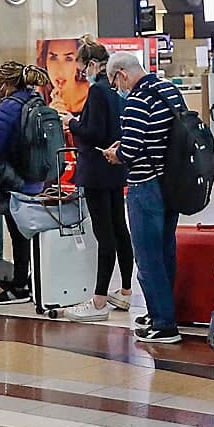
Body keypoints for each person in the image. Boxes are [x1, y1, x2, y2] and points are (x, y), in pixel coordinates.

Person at [108, 51, 182, 345]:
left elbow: (131, 149)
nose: (117, 88)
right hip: (172, 182)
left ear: (122, 74)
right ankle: (159, 312)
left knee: (148, 256)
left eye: (115, 81)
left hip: (145, 185)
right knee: (165, 251)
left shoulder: (138, 100)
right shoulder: (168, 90)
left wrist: (117, 153)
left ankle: (165, 325)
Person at [66, 39, 130, 319]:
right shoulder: (116, 92)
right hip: (115, 170)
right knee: (119, 229)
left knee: (104, 233)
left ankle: (99, 300)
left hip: (96, 171)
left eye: (82, 70)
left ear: (93, 65)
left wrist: (71, 122)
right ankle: (125, 291)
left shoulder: (96, 92)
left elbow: (92, 133)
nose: (83, 75)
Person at [0, 62, 44, 305]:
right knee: (27, 233)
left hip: (13, 179)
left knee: (17, 234)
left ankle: (19, 286)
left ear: (5, 83)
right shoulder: (36, 100)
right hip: (35, 177)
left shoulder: (9, 106)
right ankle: (30, 280)